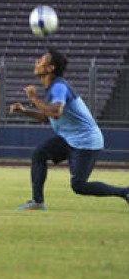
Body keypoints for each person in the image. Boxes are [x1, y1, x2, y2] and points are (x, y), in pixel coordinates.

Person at [8, 49, 129, 210]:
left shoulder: (59, 86)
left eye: (42, 60)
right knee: (39, 154)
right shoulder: (52, 88)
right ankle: (38, 202)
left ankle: (125, 192)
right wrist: (25, 111)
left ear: (50, 68)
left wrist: (33, 98)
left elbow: (56, 112)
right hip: (69, 138)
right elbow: (47, 116)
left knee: (79, 186)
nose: (37, 62)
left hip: (86, 141)